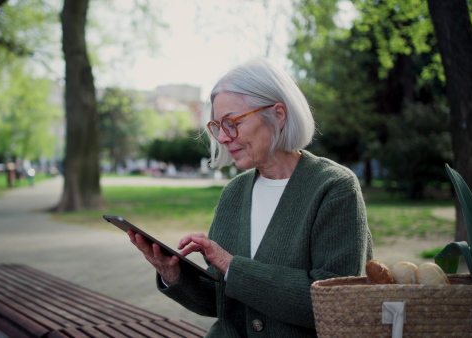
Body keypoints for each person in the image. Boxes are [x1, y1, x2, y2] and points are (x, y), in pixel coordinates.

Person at [128, 57, 373, 337]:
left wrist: (230, 264)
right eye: (217, 126)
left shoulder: (334, 187)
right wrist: (174, 275)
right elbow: (223, 302)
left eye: (232, 123)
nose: (222, 137)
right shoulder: (234, 192)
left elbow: (336, 306)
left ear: (278, 115)